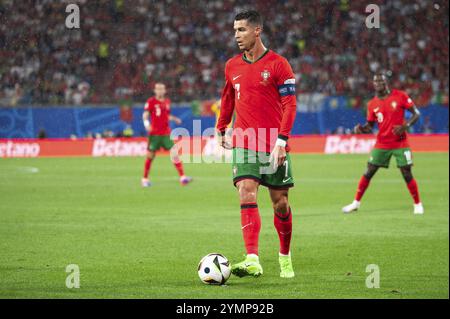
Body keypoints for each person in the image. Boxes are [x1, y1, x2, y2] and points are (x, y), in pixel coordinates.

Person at [216, 10, 297, 278]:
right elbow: (227, 97)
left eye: (241, 30)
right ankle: (252, 258)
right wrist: (221, 127)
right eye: (235, 30)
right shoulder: (231, 66)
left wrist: (282, 141)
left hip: (273, 143)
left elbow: (290, 104)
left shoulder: (278, 64)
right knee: (246, 190)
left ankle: (284, 255)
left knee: (280, 203)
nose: (236, 35)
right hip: (244, 141)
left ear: (257, 30)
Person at [342, 73, 424, 215]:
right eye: (375, 81)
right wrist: (361, 129)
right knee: (368, 172)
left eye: (381, 80)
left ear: (386, 82)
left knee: (406, 173)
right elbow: (370, 126)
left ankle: (418, 204)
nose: (378, 83)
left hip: (400, 142)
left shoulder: (400, 96)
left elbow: (416, 113)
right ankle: (355, 203)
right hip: (382, 143)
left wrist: (406, 126)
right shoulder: (372, 104)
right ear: (373, 84)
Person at [142, 82, 192, 187]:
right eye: (158, 89)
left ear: (164, 91)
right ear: (155, 91)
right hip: (155, 134)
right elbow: (145, 115)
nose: (160, 91)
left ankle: (182, 177)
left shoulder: (167, 102)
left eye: (162, 89)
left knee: (174, 153)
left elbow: (166, 115)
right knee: (151, 156)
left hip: (166, 133)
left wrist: (175, 119)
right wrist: (146, 124)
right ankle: (145, 179)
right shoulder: (151, 102)